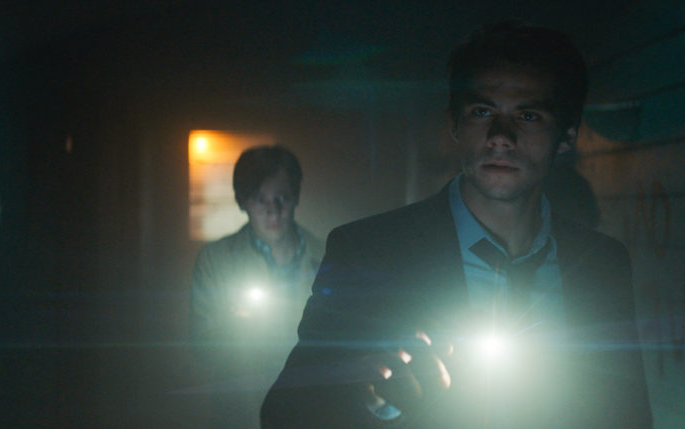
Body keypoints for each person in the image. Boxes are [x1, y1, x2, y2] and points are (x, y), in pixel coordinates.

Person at [261, 21, 652, 428]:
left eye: (528, 115)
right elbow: (282, 415)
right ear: (455, 124)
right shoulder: (368, 250)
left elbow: (629, 415)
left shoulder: (602, 264)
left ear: (567, 134)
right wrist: (370, 397)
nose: (501, 136)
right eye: (482, 112)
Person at [190, 146, 324, 428]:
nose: (273, 210)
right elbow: (200, 347)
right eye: (260, 199)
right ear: (243, 202)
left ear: (296, 196)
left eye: (282, 197)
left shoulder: (326, 257)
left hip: (310, 410)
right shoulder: (216, 262)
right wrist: (233, 326)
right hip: (242, 412)